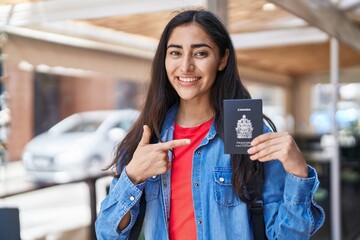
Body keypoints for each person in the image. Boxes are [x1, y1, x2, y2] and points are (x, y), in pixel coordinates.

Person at [95, 9, 325, 240]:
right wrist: (133, 175)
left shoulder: (251, 134)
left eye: (201, 53)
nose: (185, 66)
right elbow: (107, 234)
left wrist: (298, 172)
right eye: (175, 52)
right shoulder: (147, 139)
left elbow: (287, 237)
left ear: (222, 59)